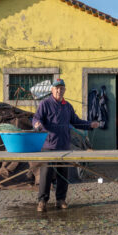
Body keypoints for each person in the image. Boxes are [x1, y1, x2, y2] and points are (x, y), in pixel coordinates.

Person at [33, 78, 99, 212]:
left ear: (64, 90)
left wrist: (89, 125)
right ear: (52, 90)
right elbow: (36, 118)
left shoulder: (67, 106)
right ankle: (42, 201)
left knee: (63, 174)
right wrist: (36, 124)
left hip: (64, 146)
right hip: (49, 146)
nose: (59, 90)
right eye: (56, 88)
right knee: (46, 174)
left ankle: (60, 199)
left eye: (61, 88)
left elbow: (76, 121)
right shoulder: (45, 104)